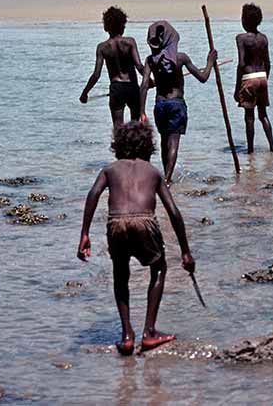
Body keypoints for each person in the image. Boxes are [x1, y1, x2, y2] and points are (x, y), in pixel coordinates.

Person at [77, 120, 195, 355]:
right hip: (144, 221)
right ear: (147, 146)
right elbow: (173, 211)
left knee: (120, 274)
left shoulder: (109, 169)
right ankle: (149, 332)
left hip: (116, 222)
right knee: (159, 268)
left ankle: (127, 335)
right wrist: (185, 251)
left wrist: (85, 233)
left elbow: (93, 194)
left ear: (118, 145)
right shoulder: (152, 172)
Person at [139, 20, 216, 183]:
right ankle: (167, 179)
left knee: (164, 141)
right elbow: (203, 77)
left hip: (160, 105)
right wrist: (210, 62)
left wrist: (142, 111)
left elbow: (144, 85)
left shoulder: (150, 61)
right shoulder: (180, 58)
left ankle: (166, 177)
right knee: (173, 142)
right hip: (176, 104)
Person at [79, 6, 145, 135]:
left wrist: (85, 93)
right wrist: (150, 80)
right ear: (122, 25)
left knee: (118, 128)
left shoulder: (102, 48)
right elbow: (139, 66)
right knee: (136, 126)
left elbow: (96, 75)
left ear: (106, 27)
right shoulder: (130, 42)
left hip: (116, 88)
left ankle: (121, 154)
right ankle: (135, 152)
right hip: (132, 87)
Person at [234, 3, 273, 153]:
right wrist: (265, 81)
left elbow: (241, 64)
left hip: (249, 78)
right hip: (262, 77)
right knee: (263, 114)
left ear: (244, 21)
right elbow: (268, 63)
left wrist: (237, 87)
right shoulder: (263, 39)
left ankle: (250, 150)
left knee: (249, 117)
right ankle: (272, 147)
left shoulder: (241, 38)